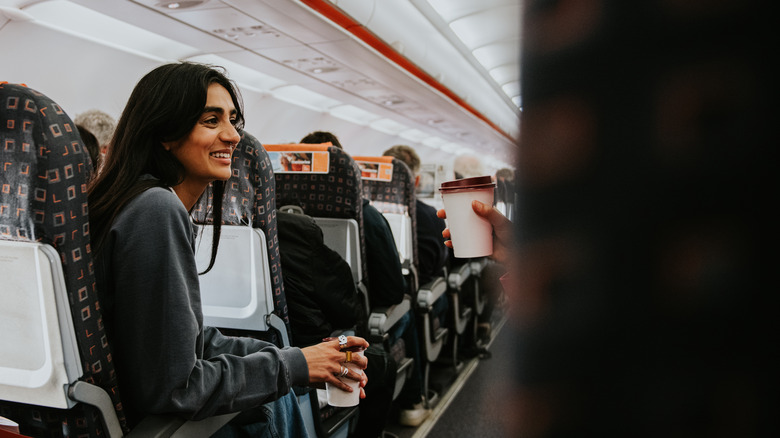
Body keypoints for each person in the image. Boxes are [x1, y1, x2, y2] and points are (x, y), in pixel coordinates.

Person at [87, 62, 369, 436]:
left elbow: (190, 342)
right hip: (159, 427)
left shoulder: (131, 201)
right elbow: (176, 387)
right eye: (211, 120)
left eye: (233, 119)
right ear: (165, 133)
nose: (233, 135)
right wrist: (292, 368)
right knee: (272, 398)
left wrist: (296, 359)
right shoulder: (155, 209)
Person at [300, 131, 431, 428]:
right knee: (407, 306)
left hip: (300, 332)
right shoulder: (367, 216)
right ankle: (412, 402)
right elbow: (391, 291)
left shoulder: (273, 216)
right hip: (353, 329)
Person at [382, 144, 449, 319]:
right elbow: (439, 262)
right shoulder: (432, 217)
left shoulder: (366, 213)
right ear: (416, 181)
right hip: (414, 296)